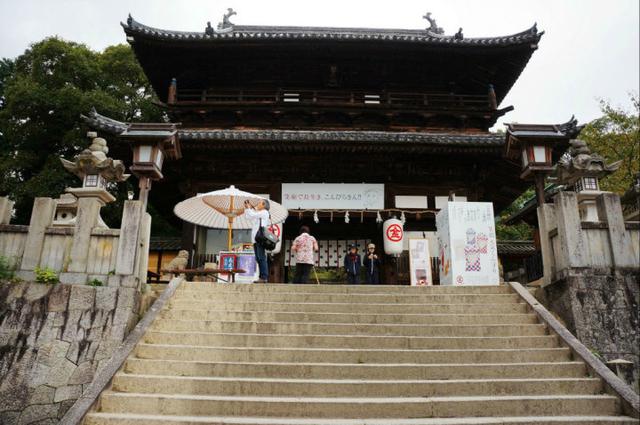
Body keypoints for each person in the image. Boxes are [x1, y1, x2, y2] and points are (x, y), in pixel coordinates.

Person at [244, 199, 270, 283]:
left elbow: (252, 214)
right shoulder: (259, 214)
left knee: (261, 257)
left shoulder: (264, 212)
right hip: (256, 239)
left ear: (263, 205)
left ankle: (264, 277)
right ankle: (261, 277)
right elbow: (248, 217)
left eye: (259, 203)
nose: (258, 204)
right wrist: (247, 208)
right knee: (258, 258)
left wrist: (249, 208)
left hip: (260, 238)